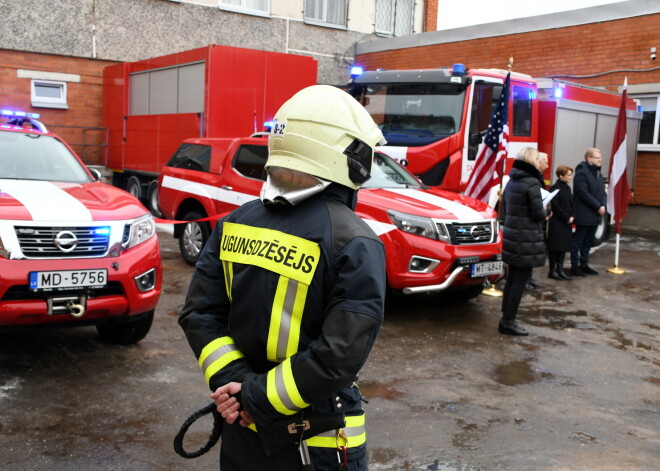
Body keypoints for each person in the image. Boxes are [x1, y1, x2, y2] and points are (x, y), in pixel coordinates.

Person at [178, 85, 387, 471]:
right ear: (348, 156)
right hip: (315, 443)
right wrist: (254, 397)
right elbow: (338, 357)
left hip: (240, 433)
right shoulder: (355, 241)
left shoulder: (233, 224)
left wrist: (238, 388)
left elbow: (199, 317)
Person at [499, 147, 548, 336]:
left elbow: (506, 209)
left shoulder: (512, 181)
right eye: (537, 158)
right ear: (531, 160)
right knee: (519, 282)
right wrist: (547, 211)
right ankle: (508, 322)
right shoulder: (532, 183)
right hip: (526, 237)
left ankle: (506, 318)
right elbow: (537, 213)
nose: (539, 161)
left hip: (513, 236)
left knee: (512, 280)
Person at [571, 148, 607, 276]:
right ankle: (574, 267)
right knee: (578, 241)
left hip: (595, 214)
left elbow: (602, 192)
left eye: (600, 157)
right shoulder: (582, 173)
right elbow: (583, 193)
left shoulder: (598, 174)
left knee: (588, 241)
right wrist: (598, 206)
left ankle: (584, 264)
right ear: (589, 159)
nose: (600, 160)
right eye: (597, 157)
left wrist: (603, 204)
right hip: (584, 213)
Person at [526, 152, 549, 290]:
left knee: (532, 251)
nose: (547, 165)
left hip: (538, 219)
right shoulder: (532, 180)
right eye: (544, 162)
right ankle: (526, 280)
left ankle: (530, 277)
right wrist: (543, 212)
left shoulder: (539, 178)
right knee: (528, 252)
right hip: (531, 222)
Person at [547, 165, 575, 280]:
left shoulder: (567, 188)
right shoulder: (554, 188)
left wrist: (573, 215)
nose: (570, 177)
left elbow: (572, 203)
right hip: (558, 222)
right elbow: (556, 206)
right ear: (561, 176)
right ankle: (552, 270)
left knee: (563, 247)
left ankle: (560, 269)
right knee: (555, 247)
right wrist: (566, 217)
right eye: (568, 175)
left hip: (566, 223)